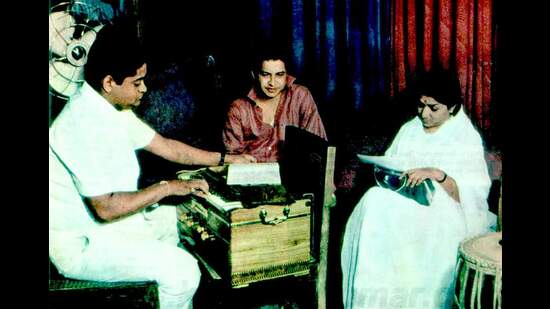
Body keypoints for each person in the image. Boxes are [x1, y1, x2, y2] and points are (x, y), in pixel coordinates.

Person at [49, 20, 256, 309]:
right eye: (137, 82)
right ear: (109, 82)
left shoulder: (107, 107)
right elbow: (106, 208)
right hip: (82, 246)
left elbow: (167, 147)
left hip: (104, 228)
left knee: (176, 222)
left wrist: (226, 159)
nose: (144, 89)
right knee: (184, 271)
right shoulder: (78, 123)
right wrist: (168, 187)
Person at [340, 69, 496, 309]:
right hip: (405, 200)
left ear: (452, 107)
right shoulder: (410, 128)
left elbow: (471, 196)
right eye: (421, 106)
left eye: (434, 108)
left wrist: (436, 174)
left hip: (444, 212)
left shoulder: (465, 137)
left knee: (387, 211)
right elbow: (392, 165)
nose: (425, 114)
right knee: (373, 199)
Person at [222, 45, 327, 162]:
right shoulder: (239, 107)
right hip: (252, 174)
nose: (272, 83)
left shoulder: (300, 96)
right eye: (265, 74)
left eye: (279, 75)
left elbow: (317, 147)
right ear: (255, 75)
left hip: (294, 173)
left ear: (287, 75)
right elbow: (232, 157)